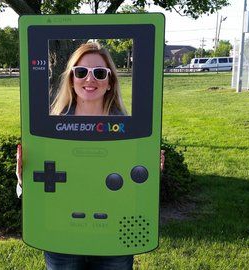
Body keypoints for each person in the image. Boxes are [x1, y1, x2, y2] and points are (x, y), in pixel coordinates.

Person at [16, 42, 164, 270]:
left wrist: (151, 174)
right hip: (60, 235)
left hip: (114, 234)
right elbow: (43, 188)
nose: (89, 79)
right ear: (71, 79)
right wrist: (22, 178)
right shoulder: (48, 128)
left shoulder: (133, 133)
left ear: (110, 82)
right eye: (81, 72)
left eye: (99, 73)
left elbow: (134, 190)